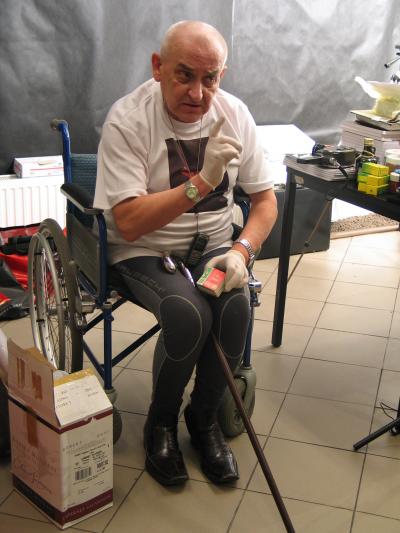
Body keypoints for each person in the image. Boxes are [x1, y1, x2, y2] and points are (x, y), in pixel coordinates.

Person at [94, 20, 277, 487]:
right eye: (184, 75)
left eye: (210, 78)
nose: (198, 93)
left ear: (222, 75)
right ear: (158, 67)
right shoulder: (128, 119)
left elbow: (265, 202)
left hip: (213, 245)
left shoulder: (234, 114)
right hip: (144, 249)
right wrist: (202, 182)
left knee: (235, 307)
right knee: (188, 313)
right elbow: (128, 221)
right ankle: (160, 424)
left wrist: (241, 251)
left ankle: (203, 419)